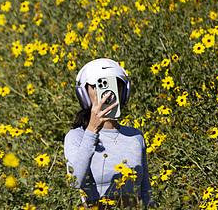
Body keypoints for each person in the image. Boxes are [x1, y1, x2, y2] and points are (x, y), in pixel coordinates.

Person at [63, 58, 154, 208]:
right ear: (84, 94)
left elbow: (145, 191)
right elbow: (74, 182)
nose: (105, 93)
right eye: (98, 85)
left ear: (123, 91)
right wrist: (92, 130)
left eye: (113, 85)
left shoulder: (136, 136)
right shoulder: (77, 137)